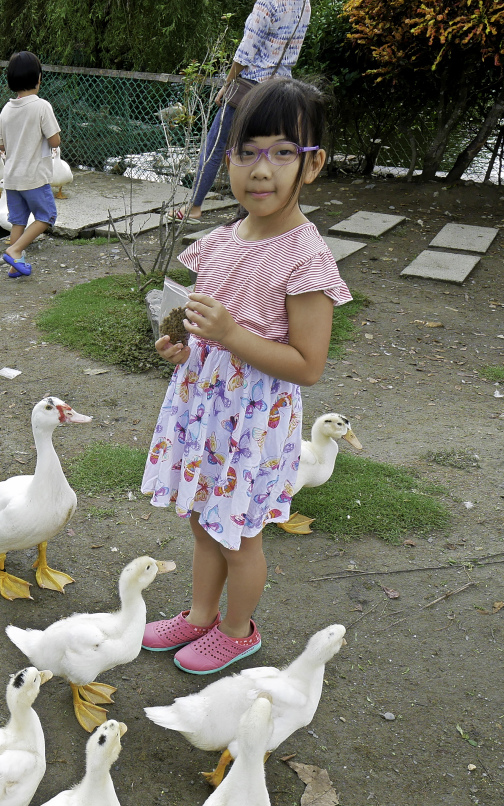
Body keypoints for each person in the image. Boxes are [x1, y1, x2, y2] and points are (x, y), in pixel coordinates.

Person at [139, 77, 349, 675]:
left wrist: (231, 335)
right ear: (226, 158)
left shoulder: (306, 259)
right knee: (204, 520)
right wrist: (183, 349)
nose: (262, 170)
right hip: (205, 411)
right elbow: (205, 331)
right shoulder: (220, 241)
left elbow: (308, 366)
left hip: (253, 424)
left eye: (283, 153)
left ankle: (236, 629)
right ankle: (200, 615)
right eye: (247, 151)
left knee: (240, 536)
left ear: (313, 166)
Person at [181, 0, 310, 221]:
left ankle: (194, 207)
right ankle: (259, 210)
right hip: (281, 90)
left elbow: (245, 51)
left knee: (215, 148)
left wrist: (227, 84)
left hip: (251, 88)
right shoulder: (304, 4)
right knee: (265, 152)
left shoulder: (268, 3)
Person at [0, 51, 61, 279]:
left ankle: (15, 265)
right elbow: (55, 141)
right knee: (47, 216)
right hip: (34, 178)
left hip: (12, 179)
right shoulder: (42, 107)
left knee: (17, 222)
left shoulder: (6, 109)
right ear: (39, 78)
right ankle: (15, 250)